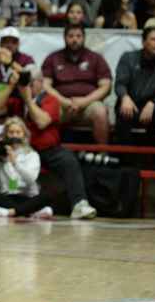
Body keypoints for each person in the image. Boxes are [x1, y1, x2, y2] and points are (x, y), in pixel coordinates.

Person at [20, 65, 97, 219]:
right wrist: (12, 87)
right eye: (26, 83)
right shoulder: (17, 98)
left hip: (48, 150)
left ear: (40, 82)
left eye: (31, 82)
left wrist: (27, 100)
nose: (28, 86)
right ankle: (13, 204)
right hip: (24, 149)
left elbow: (42, 122)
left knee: (68, 159)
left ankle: (79, 204)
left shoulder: (50, 99)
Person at [41, 24, 112, 144]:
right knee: (44, 113)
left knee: (100, 112)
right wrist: (64, 101)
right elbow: (45, 85)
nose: (75, 39)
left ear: (84, 38)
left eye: (78, 36)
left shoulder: (96, 58)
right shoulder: (53, 58)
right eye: (71, 36)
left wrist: (84, 101)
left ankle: (102, 152)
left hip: (89, 103)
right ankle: (49, 150)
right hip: (61, 103)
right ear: (65, 38)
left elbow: (106, 86)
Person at [114, 27, 155, 147]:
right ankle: (124, 155)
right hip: (132, 104)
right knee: (124, 109)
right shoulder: (128, 57)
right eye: (153, 39)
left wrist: (153, 103)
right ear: (144, 42)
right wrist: (125, 97)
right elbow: (120, 83)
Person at [0, 117, 53, 218]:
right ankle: (27, 212)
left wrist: (15, 163)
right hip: (7, 197)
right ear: (6, 134)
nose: (14, 135)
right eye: (11, 132)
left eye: (18, 132)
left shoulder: (31, 155)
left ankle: (10, 213)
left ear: (24, 134)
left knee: (47, 196)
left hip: (27, 197)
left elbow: (31, 179)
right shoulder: (0, 153)